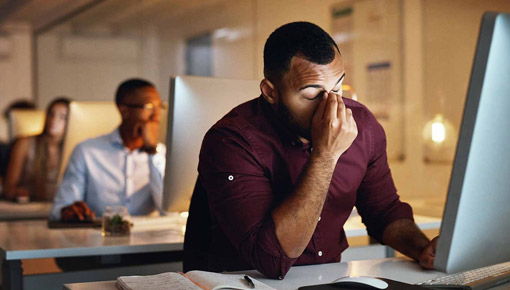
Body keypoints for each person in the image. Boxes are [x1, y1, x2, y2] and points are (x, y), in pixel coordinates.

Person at [184, 22, 438, 279]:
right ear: (271, 92)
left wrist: (422, 249)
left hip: (326, 279)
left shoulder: (363, 125)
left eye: (337, 88)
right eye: (312, 95)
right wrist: (325, 154)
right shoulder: (231, 141)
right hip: (242, 282)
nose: (332, 107)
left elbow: (383, 211)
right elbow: (270, 259)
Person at [50, 79, 166, 221]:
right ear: (124, 110)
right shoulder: (87, 152)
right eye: (148, 106)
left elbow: (167, 210)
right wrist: (69, 211)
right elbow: (60, 208)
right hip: (100, 237)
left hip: (150, 239)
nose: (156, 115)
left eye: (159, 107)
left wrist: (151, 151)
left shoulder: (161, 155)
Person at [3, 97, 70, 202]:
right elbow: (9, 187)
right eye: (51, 114)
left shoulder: (74, 149)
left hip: (60, 207)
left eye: (62, 117)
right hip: (30, 208)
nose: (53, 120)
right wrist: (18, 193)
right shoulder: (25, 143)